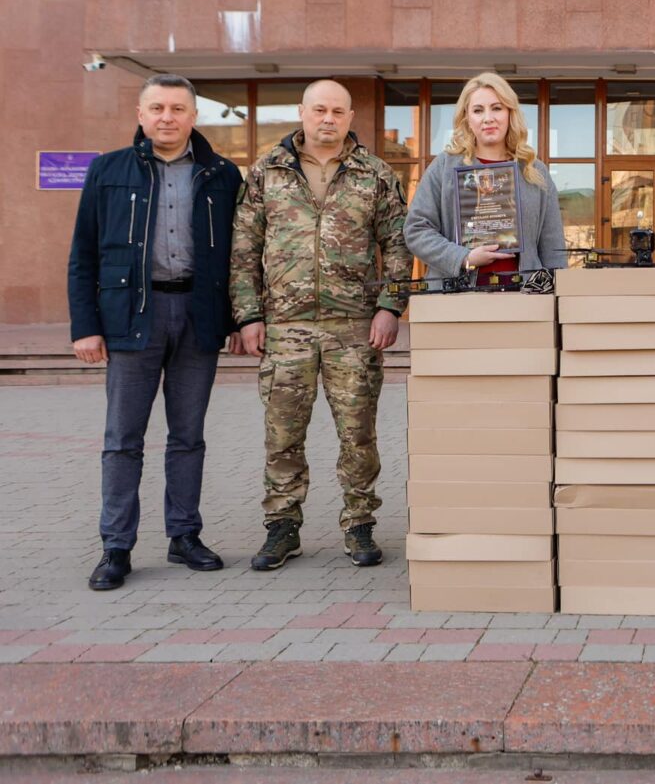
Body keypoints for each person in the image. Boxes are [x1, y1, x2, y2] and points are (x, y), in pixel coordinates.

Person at [67, 74, 243, 591]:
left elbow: (238, 255)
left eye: (177, 108)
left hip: (197, 315)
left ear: (194, 116)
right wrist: (86, 327)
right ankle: (116, 547)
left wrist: (236, 320)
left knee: (188, 438)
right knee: (123, 440)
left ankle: (184, 535)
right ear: (141, 115)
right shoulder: (108, 171)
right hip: (130, 320)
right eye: (157, 108)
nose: (167, 117)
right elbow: (83, 256)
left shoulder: (222, 174)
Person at [230, 79, 411, 571]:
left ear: (351, 116)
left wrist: (390, 306)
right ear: (302, 112)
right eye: (319, 110)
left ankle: (359, 524)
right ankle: (282, 527)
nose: (327, 118)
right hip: (284, 327)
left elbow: (398, 244)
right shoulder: (267, 172)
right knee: (282, 435)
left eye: (337, 111)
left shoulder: (374, 174)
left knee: (358, 435)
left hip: (354, 327)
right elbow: (244, 250)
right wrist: (248, 316)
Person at [404, 72, 567, 281]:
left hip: (525, 302)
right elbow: (416, 229)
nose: (488, 118)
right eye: (478, 110)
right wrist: (464, 257)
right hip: (456, 301)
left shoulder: (534, 171)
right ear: (467, 119)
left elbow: (553, 248)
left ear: (510, 113)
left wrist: (557, 299)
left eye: (497, 108)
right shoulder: (444, 167)